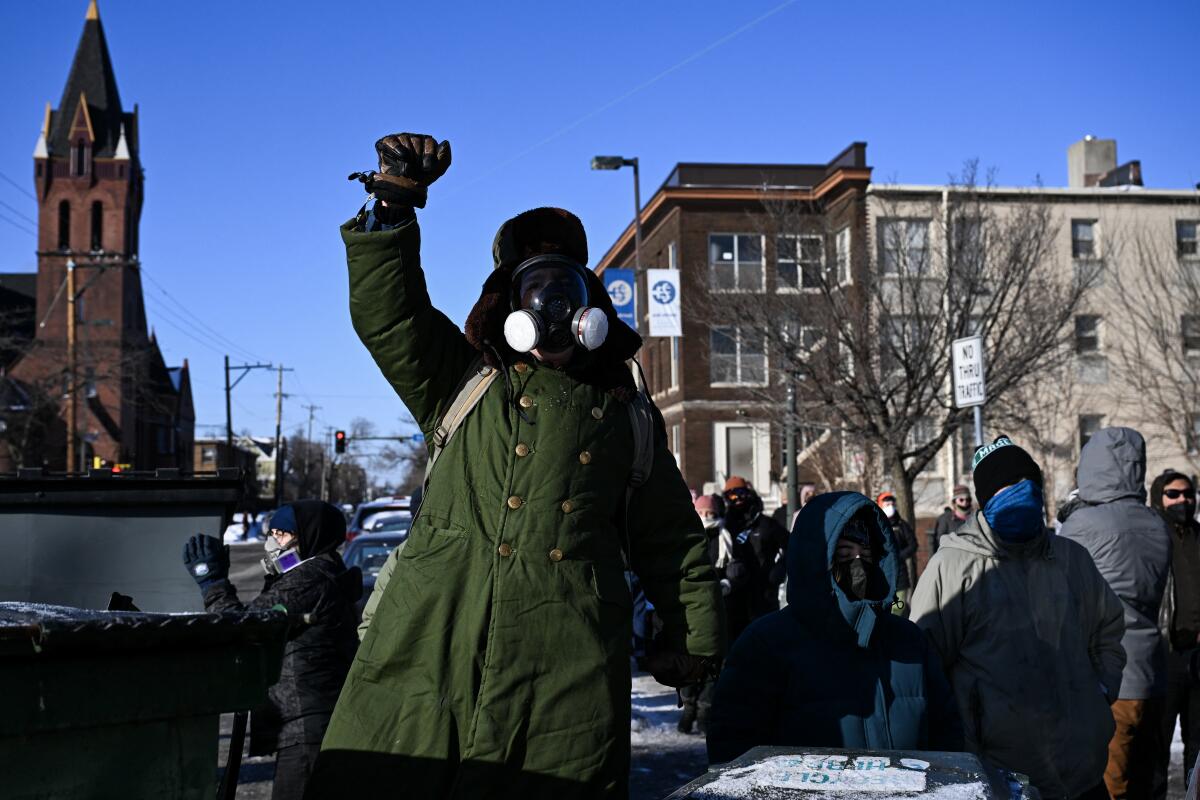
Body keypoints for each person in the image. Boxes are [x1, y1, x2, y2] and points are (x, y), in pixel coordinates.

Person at [308, 133, 723, 798]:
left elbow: (670, 539)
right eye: (535, 292)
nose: (552, 309)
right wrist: (392, 207)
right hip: (430, 644)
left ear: (590, 307)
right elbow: (391, 317)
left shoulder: (626, 414)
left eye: (566, 292)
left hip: (564, 671)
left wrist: (694, 639)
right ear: (507, 307)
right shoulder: (461, 381)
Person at [910, 435, 1125, 800]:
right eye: (1009, 486)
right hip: (1000, 776)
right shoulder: (954, 566)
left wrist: (1100, 691)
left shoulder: (1072, 559)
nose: (1022, 492)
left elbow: (1107, 630)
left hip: (1080, 771)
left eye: (1029, 484)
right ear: (986, 498)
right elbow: (925, 664)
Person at [706, 491, 963, 763]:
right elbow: (733, 755)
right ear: (814, 560)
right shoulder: (766, 645)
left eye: (866, 553)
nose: (857, 564)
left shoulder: (908, 641)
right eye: (844, 553)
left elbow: (948, 739)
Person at [182, 501, 361, 800]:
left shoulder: (309, 579)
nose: (271, 542)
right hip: (312, 723)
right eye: (272, 532)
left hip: (306, 727)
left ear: (310, 537)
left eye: (281, 534)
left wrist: (212, 583)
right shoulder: (313, 573)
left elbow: (244, 629)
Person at [1059, 427, 1172, 800]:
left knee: (1110, 785)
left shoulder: (1082, 526)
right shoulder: (1156, 523)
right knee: (1149, 782)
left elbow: (1064, 593)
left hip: (1111, 679)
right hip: (1154, 673)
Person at [1154, 469, 1200, 789]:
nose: (1182, 500)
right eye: (1173, 494)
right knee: (1157, 742)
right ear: (1159, 498)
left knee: (1197, 743)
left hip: (1198, 654)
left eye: (1188, 494)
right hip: (1164, 653)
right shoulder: (1152, 535)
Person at [721, 476, 789, 645]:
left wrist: (779, 570)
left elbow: (792, 546)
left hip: (764, 593)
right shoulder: (724, 527)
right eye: (731, 495)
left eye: (740, 494)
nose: (737, 499)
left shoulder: (767, 525)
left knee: (765, 643)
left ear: (749, 494)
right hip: (734, 597)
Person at [678, 494, 725, 735]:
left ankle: (703, 713)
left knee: (711, 669)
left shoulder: (724, 539)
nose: (706, 518)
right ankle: (689, 711)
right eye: (702, 513)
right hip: (693, 614)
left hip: (715, 612)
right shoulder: (686, 538)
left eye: (710, 513)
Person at [876, 492, 916, 612]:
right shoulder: (874, 524)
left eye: (892, 504)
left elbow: (913, 545)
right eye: (887, 504)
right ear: (880, 505)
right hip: (880, 575)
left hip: (900, 576)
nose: (890, 506)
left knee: (898, 608)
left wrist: (898, 556)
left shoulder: (902, 525)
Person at [930, 484, 972, 555]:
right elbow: (939, 542)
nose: (965, 503)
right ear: (954, 502)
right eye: (961, 500)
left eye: (968, 499)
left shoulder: (974, 518)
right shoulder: (945, 519)